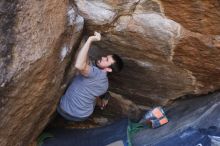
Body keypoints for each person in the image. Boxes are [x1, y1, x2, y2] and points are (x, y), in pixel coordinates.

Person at [57, 32, 124, 121]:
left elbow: (79, 65)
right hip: (83, 115)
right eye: (106, 57)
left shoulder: (96, 73)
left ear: (109, 69)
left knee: (93, 93)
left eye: (106, 60)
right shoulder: (105, 84)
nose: (103, 57)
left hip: (64, 110)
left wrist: (90, 40)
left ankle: (101, 101)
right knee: (93, 94)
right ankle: (102, 104)